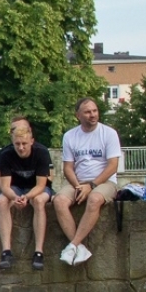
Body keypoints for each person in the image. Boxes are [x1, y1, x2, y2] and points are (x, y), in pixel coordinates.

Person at [52, 98, 122, 266]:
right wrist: (78, 186)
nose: (92, 115)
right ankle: (80, 248)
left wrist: (92, 185)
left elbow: (113, 166)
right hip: (79, 181)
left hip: (104, 182)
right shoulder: (70, 136)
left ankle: (73, 245)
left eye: (95, 111)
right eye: (88, 112)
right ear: (78, 115)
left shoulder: (109, 133)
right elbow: (68, 167)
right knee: (59, 200)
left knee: (95, 199)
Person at [0, 119, 52, 272]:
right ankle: (1, 253)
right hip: (14, 188)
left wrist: (27, 197)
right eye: (17, 144)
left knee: (38, 201)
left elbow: (42, 184)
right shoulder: (5, 154)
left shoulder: (41, 152)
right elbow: (3, 185)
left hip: (35, 189)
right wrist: (15, 197)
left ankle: (38, 252)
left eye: (24, 144)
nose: (21, 147)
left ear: (31, 140)